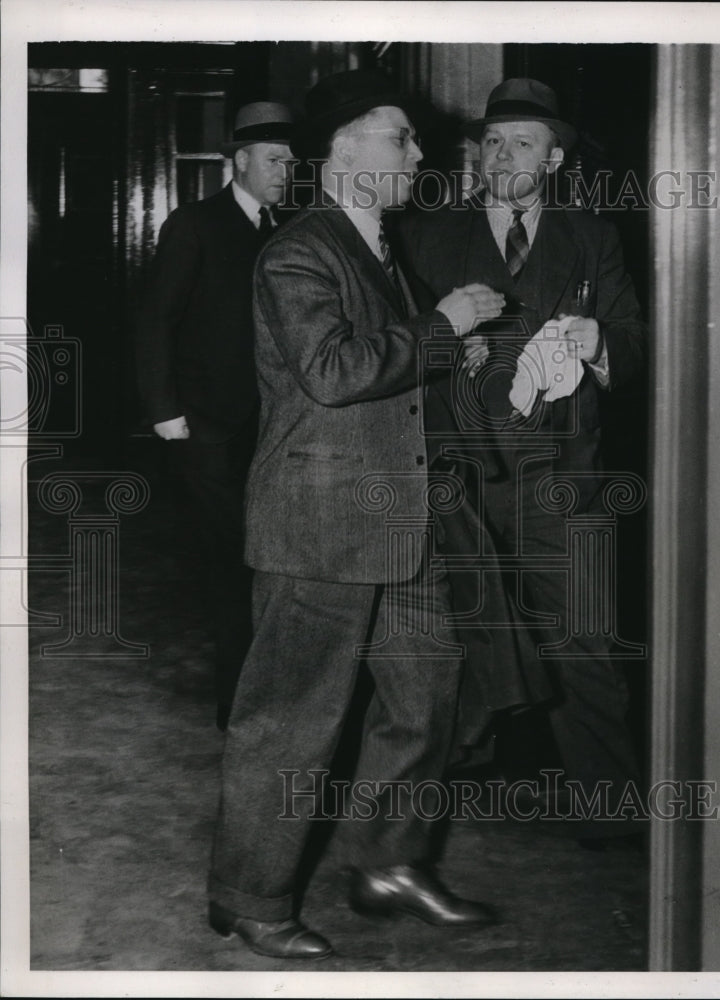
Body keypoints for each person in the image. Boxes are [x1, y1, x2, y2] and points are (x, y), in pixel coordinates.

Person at [207, 70, 507, 960]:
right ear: (342, 151)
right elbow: (334, 372)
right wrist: (441, 327)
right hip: (319, 520)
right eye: (401, 138)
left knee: (425, 696)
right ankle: (249, 898)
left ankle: (388, 864)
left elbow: (393, 372)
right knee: (292, 716)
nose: (419, 155)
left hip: (398, 517)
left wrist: (453, 344)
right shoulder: (301, 250)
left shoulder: (378, 245)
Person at [396, 78, 646, 842]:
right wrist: (444, 350)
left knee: (583, 645)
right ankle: (440, 813)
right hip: (462, 480)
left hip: (561, 480)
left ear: (556, 158)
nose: (503, 157)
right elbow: (391, 350)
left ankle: (609, 809)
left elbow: (635, 345)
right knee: (452, 646)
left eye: (523, 144)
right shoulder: (425, 235)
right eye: (493, 143)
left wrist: (599, 343)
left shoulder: (591, 237)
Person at [135, 102, 294, 730]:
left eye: (291, 160)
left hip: (273, 426)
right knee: (233, 563)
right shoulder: (195, 224)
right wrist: (165, 413)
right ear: (240, 162)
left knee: (267, 560)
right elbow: (154, 320)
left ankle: (264, 696)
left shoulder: (288, 227)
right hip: (205, 428)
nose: (286, 170)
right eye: (274, 160)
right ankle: (240, 706)